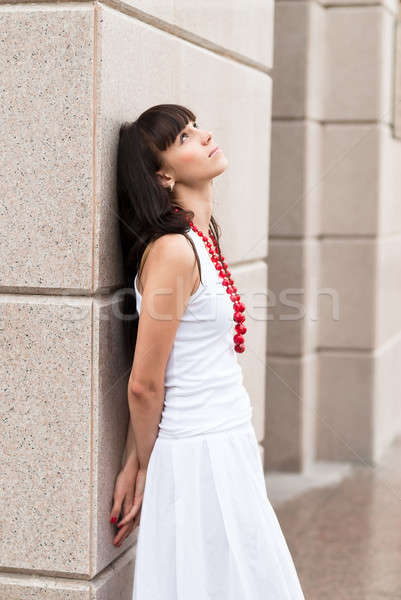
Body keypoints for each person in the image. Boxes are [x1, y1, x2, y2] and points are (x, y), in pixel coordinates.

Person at [111, 103, 305, 598]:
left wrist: (136, 456)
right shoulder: (174, 251)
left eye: (197, 128)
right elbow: (144, 382)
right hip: (196, 453)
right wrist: (149, 465)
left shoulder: (199, 239)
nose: (204, 135)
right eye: (185, 138)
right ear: (163, 175)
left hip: (226, 438)